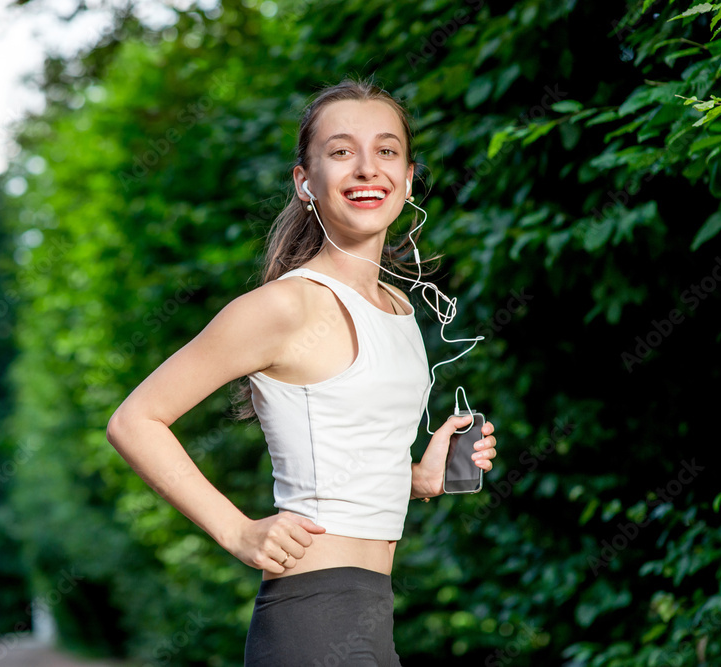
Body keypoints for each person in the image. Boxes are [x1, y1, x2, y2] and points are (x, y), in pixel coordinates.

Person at [105, 77, 498, 666]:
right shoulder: (286, 307)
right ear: (305, 182)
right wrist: (237, 531)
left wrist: (417, 476)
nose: (368, 169)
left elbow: (343, 456)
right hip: (310, 620)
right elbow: (135, 420)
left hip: (372, 610)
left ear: (409, 177)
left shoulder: (398, 306)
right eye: (342, 152)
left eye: (386, 151)